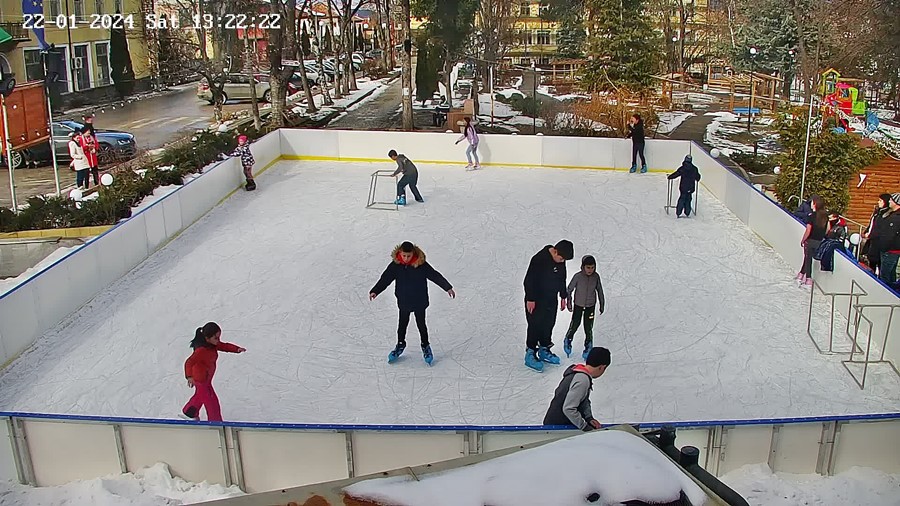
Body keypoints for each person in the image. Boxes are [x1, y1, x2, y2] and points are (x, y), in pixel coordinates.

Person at [370, 241, 455, 365]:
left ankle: (425, 346)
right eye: (404, 255)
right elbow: (385, 279)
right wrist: (375, 291)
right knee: (402, 325)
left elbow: (434, 275)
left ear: (413, 254)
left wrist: (447, 287)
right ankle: (400, 344)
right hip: (404, 301)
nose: (406, 258)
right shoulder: (396, 265)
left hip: (419, 300)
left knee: (421, 325)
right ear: (400, 253)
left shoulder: (421, 264)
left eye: (408, 256)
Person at [523, 240, 574, 372]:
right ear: (555, 251)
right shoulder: (539, 259)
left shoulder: (561, 260)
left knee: (549, 323)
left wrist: (563, 295)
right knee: (535, 324)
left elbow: (562, 277)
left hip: (551, 298)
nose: (562, 261)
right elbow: (529, 280)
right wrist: (530, 298)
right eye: (561, 259)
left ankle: (544, 348)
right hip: (536, 299)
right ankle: (530, 352)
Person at [182, 322, 246, 422]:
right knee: (211, 402)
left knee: (200, 396)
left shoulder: (212, 344)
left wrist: (236, 349)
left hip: (206, 379)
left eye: (219, 337)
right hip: (200, 380)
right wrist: (189, 377)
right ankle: (215, 422)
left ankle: (189, 413)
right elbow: (189, 362)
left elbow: (224, 346)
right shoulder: (201, 350)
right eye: (216, 338)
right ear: (207, 338)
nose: (218, 340)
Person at [543, 347, 610, 431]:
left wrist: (588, 418)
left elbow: (583, 400)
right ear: (602, 367)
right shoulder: (582, 380)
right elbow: (569, 409)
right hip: (558, 428)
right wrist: (584, 427)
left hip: (557, 423)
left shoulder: (577, 372)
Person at [563, 255, 605, 361]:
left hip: (590, 306)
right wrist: (569, 303)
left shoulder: (596, 277)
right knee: (575, 324)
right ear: (583, 267)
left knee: (588, 327)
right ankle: (568, 339)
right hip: (578, 305)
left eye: (592, 267)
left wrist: (602, 304)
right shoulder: (578, 276)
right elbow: (569, 289)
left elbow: (599, 290)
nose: (590, 270)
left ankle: (588, 346)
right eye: (588, 267)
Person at [798, 195, 830, 287]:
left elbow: (808, 230)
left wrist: (803, 239)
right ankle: (801, 274)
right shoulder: (825, 216)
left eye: (812, 203)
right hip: (819, 241)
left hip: (810, 240)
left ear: (815, 204)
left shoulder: (812, 216)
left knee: (808, 259)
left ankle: (808, 278)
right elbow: (828, 229)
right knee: (807, 258)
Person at [862, 193, 892, 274]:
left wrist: (870, 235)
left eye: (880, 200)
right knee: (871, 261)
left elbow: (880, 228)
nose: (878, 202)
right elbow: (872, 224)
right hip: (872, 240)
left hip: (879, 242)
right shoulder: (877, 212)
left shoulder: (887, 214)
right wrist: (866, 232)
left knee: (878, 262)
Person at [877, 193, 900, 285]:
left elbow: (890, 235)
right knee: (890, 275)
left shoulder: (896, 218)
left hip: (890, 251)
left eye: (891, 200)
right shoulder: (892, 214)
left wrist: (883, 247)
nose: (889, 201)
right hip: (892, 250)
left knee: (885, 276)